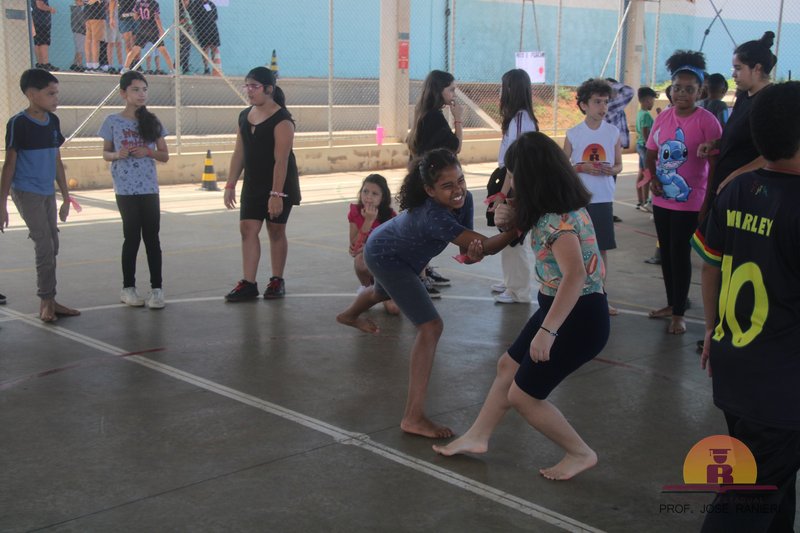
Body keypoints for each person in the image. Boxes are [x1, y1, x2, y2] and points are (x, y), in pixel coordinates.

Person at [433, 132, 609, 481]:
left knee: (524, 396)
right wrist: (505, 220)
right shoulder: (551, 209)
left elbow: (575, 275)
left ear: (530, 178)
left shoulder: (555, 221)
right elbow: (506, 234)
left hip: (578, 319)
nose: (508, 182)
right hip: (560, 308)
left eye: (512, 175)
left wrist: (547, 332)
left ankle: (580, 452)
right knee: (507, 366)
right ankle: (478, 436)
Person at [337, 149, 519, 438]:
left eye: (460, 180)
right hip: (386, 255)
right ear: (429, 190)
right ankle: (413, 417)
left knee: (382, 292)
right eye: (447, 186)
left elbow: (470, 251)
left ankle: (349, 315)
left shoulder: (463, 200)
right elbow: (487, 246)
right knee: (431, 326)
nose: (458, 190)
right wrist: (518, 227)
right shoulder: (434, 216)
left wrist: (474, 253)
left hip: (398, 252)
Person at [692, 81, 800, 533]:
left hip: (734, 360)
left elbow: (710, 266)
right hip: (781, 380)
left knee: (774, 480)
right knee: (750, 494)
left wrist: (711, 330)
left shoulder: (737, 189)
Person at [645, 50, 722, 334]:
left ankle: (679, 313)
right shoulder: (663, 118)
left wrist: (708, 201)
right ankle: (671, 303)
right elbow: (651, 152)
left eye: (689, 89)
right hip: (662, 200)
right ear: (670, 90)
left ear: (700, 92)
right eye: (677, 88)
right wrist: (653, 177)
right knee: (666, 253)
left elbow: (715, 164)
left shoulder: (707, 121)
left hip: (691, 202)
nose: (682, 94)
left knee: (680, 254)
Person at [1, 69, 79, 322]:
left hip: (47, 191)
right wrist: (2, 203)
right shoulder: (18, 123)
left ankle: (52, 299)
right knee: (44, 244)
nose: (56, 98)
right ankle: (46, 301)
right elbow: (9, 164)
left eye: (56, 93)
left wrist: (65, 196)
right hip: (26, 191)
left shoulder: (53, 121)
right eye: (51, 94)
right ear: (32, 94)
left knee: (53, 244)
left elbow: (56, 159)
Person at [223, 67, 300, 301]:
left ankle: (277, 280)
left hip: (279, 183)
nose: (249, 91)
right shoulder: (244, 116)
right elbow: (239, 152)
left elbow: (281, 160)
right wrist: (230, 184)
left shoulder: (282, 121)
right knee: (247, 229)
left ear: (269, 89)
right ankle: (249, 283)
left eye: (254, 86)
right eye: (247, 86)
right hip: (253, 183)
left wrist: (276, 194)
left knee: (275, 230)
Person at [99, 71, 169, 309]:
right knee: (131, 237)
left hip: (148, 187)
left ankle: (157, 289)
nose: (141, 94)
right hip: (125, 189)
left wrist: (148, 152)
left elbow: (164, 155)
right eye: (136, 90)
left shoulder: (152, 121)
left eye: (144, 90)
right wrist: (117, 155)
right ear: (123, 93)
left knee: (152, 237)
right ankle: (128, 288)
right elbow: (106, 153)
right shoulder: (112, 121)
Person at [698, 32, 776, 222]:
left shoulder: (771, 101)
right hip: (727, 183)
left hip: (748, 190)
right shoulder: (744, 96)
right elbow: (737, 135)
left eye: (738, 68)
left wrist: (736, 175)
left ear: (757, 68)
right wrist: (715, 143)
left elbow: (772, 154)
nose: (733, 74)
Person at [563, 78, 622, 316]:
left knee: (601, 249)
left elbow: (618, 165)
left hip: (602, 199)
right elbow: (562, 167)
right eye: (597, 102)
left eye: (606, 102)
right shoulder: (574, 134)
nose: (603, 107)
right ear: (584, 105)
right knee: (576, 250)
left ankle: (600, 297)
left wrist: (611, 170)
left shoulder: (613, 132)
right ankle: (574, 297)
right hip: (579, 200)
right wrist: (581, 167)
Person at [407, 69, 464, 297]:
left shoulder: (424, 113)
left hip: (421, 178)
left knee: (426, 229)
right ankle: (420, 276)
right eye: (450, 89)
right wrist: (458, 118)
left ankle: (425, 270)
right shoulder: (434, 117)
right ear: (439, 91)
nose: (453, 94)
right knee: (426, 232)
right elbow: (455, 146)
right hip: (428, 181)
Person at [490, 68, 539, 304]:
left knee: (514, 235)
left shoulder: (521, 120)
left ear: (512, 90)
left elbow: (517, 162)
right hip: (509, 179)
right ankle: (511, 280)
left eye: (504, 87)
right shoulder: (517, 118)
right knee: (507, 234)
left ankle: (519, 290)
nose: (501, 92)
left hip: (516, 183)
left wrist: (505, 193)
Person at [347, 174, 399, 315]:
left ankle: (383, 290)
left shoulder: (390, 216)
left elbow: (394, 247)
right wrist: (368, 221)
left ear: (383, 197)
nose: (368, 197)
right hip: (368, 264)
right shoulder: (355, 212)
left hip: (385, 265)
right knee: (359, 259)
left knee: (394, 310)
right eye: (365, 191)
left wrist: (370, 247)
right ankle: (367, 289)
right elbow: (355, 247)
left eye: (374, 193)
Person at [604, 78, 634, 223]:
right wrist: (611, 86)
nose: (618, 94)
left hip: (613, 149)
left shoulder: (615, 106)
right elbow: (629, 91)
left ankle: (607, 212)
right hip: (608, 150)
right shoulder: (611, 105)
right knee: (608, 183)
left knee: (609, 183)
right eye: (615, 91)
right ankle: (605, 213)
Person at [123, 0, 173, 74]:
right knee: (163, 50)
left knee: (134, 50)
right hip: (153, 30)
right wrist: (161, 30)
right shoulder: (154, 3)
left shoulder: (139, 3)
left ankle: (125, 68)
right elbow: (157, 18)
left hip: (142, 30)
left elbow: (135, 16)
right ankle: (172, 70)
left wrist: (140, 16)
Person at [635, 86, 656, 211]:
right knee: (647, 175)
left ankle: (640, 201)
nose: (652, 103)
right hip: (644, 146)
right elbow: (645, 132)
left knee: (642, 172)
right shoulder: (646, 115)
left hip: (640, 145)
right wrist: (650, 147)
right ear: (646, 100)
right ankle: (645, 202)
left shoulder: (640, 113)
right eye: (652, 100)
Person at [188, 0, 221, 75]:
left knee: (214, 47)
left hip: (212, 28)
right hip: (202, 29)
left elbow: (215, 17)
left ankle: (215, 67)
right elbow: (192, 16)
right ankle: (206, 68)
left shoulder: (210, 4)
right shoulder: (196, 4)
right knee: (205, 48)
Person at [32, 0, 57, 71]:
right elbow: (40, 5)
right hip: (42, 22)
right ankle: (45, 63)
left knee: (37, 43)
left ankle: (40, 64)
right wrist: (51, 9)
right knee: (44, 42)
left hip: (36, 20)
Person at [83, 0, 106, 73]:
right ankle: (95, 66)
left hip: (87, 14)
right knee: (95, 41)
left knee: (89, 40)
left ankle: (89, 65)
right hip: (97, 15)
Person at [70, 0, 87, 72]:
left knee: (78, 48)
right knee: (81, 49)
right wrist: (87, 28)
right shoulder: (77, 10)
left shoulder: (76, 9)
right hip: (80, 31)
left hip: (77, 31)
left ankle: (74, 64)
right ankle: (80, 65)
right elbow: (82, 21)